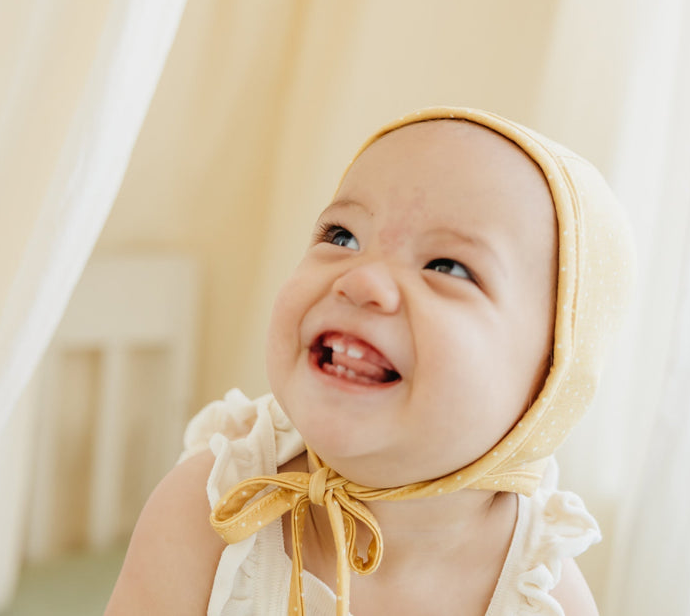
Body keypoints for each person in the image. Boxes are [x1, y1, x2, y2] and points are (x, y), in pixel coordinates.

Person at [105, 107, 634, 616]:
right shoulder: (218, 512)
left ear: (549, 381)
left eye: (447, 266)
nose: (360, 280)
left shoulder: (539, 592)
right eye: (343, 236)